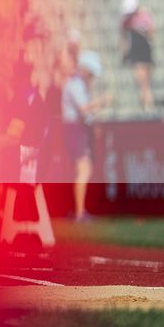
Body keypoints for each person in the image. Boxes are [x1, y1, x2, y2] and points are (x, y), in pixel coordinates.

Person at [61, 49, 106, 221]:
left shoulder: (78, 84)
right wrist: (102, 101)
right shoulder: (75, 84)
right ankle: (79, 212)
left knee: (82, 169)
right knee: (83, 168)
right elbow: (83, 108)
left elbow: (85, 112)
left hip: (77, 129)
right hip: (74, 130)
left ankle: (79, 210)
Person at [117, 0, 157, 111]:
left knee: (145, 84)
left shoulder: (146, 15)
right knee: (142, 84)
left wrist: (141, 30)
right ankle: (146, 107)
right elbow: (123, 37)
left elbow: (152, 33)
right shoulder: (126, 19)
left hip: (145, 50)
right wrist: (124, 53)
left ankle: (148, 107)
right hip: (135, 52)